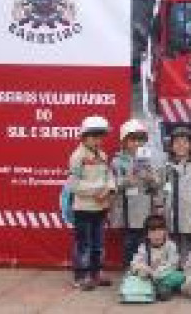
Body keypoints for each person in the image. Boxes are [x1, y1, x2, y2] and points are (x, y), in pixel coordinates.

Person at [68, 115, 116, 290]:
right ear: (84, 137)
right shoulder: (77, 156)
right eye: (94, 137)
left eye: (101, 137)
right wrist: (97, 191)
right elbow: (73, 185)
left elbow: (109, 176)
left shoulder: (103, 155)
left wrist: (110, 189)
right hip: (83, 208)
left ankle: (96, 273)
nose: (98, 141)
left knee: (98, 243)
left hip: (100, 207)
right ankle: (81, 276)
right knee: (84, 244)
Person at [110, 119, 162, 268]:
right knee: (129, 243)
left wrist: (151, 178)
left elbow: (158, 184)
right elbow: (112, 184)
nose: (137, 144)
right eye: (132, 140)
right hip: (127, 211)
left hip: (146, 210)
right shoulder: (117, 161)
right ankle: (129, 270)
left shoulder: (148, 160)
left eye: (140, 140)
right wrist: (127, 180)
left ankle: (144, 270)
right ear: (124, 141)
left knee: (145, 243)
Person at [163, 126, 191, 258]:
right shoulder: (166, 166)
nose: (181, 145)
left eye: (185, 142)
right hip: (172, 213)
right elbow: (164, 188)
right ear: (171, 146)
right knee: (173, 248)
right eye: (177, 142)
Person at [125, 215, 184, 301]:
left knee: (179, 276)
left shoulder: (170, 246)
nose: (157, 234)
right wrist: (144, 269)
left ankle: (164, 288)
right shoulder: (144, 247)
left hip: (165, 275)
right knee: (132, 274)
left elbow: (173, 264)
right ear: (147, 235)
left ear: (165, 232)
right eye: (153, 231)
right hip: (149, 276)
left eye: (160, 230)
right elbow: (135, 262)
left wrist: (158, 273)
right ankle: (156, 289)